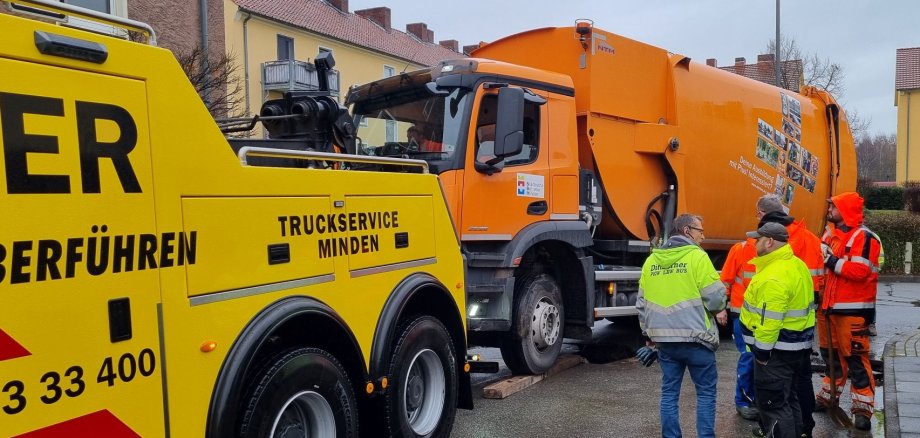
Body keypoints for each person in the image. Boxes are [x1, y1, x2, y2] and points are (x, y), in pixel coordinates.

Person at [637, 213, 727, 438]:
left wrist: (648, 336)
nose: (703, 236)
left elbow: (641, 304)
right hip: (697, 339)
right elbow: (715, 298)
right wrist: (717, 311)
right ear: (687, 231)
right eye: (700, 231)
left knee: (669, 394)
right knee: (705, 394)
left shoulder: (651, 261)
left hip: (665, 342)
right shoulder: (697, 257)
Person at [755, 194, 824, 437]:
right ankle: (805, 427)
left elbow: (771, 311)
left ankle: (781, 430)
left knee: (778, 397)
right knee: (800, 384)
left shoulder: (777, 262)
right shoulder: (809, 239)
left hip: (780, 338)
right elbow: (818, 278)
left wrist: (761, 350)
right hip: (803, 326)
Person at [740, 223, 816, 438]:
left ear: (769, 241)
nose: (754, 243)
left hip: (775, 352)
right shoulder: (796, 264)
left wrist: (762, 353)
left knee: (773, 406)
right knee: (789, 400)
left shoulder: (773, 274)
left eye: (758, 239)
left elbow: (769, 320)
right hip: (796, 347)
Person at [814, 192, 882, 431]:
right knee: (829, 356)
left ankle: (862, 410)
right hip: (828, 307)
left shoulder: (864, 237)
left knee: (855, 359)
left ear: (845, 209)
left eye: (833, 206)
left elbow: (859, 271)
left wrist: (831, 261)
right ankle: (827, 396)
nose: (829, 209)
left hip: (852, 311)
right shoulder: (831, 235)